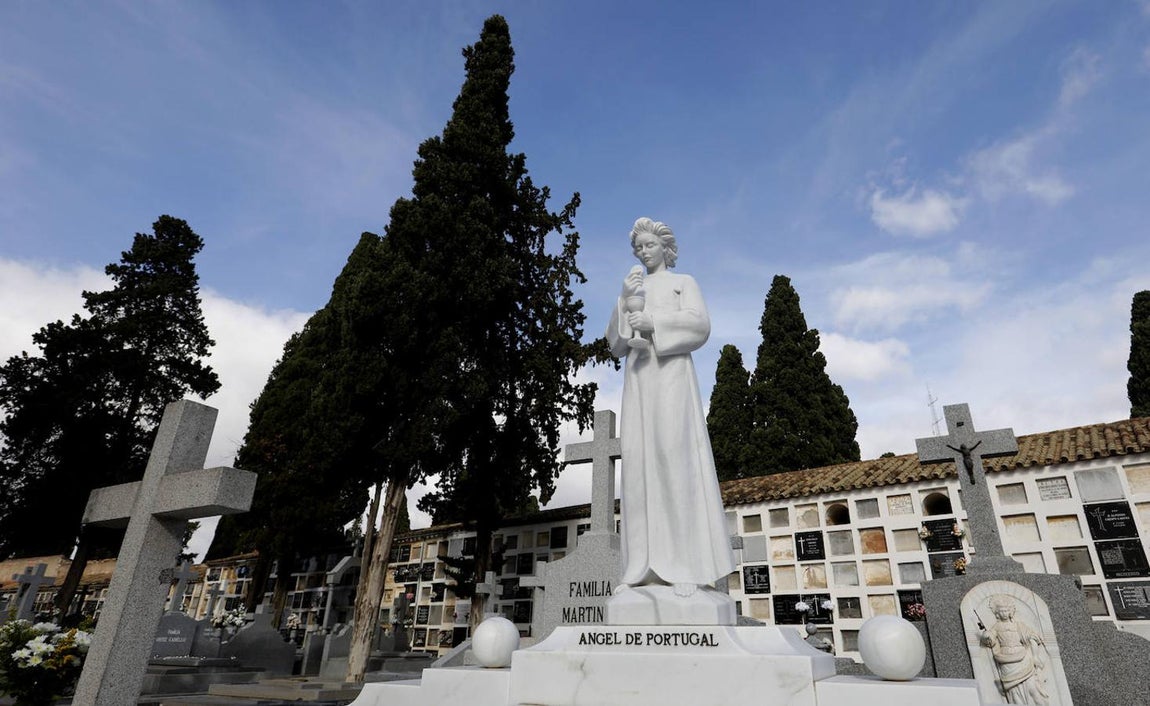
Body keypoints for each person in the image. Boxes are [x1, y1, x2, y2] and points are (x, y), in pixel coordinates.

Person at [606, 217, 735, 598]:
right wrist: (623, 305)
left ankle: (685, 564)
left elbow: (700, 326)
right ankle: (640, 565)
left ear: (665, 248)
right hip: (640, 379)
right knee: (639, 463)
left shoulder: (684, 283)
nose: (644, 252)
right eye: (639, 248)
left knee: (673, 459)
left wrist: (654, 322)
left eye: (650, 245)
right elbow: (615, 343)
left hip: (671, 379)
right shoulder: (632, 287)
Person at [979, 595, 1050, 704]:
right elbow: (990, 640)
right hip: (1007, 662)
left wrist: (1035, 656)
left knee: (1032, 688)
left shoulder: (1019, 625)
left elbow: (1033, 637)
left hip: (1023, 659)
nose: (1004, 613)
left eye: (1006, 610)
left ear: (1011, 611)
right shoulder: (996, 627)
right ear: (997, 614)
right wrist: (986, 636)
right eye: (1001, 611)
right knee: (1014, 692)